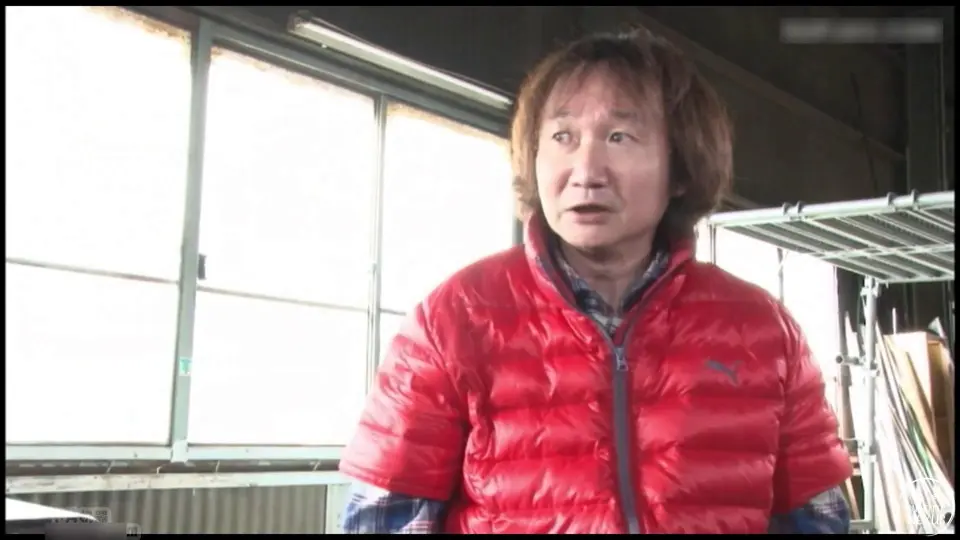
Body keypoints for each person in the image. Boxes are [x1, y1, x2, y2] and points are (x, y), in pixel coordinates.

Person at [338, 25, 853, 534]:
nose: (586, 170)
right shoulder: (452, 320)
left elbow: (818, 520)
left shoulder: (765, 333)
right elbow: (382, 521)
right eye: (562, 137)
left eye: (619, 137)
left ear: (680, 168)